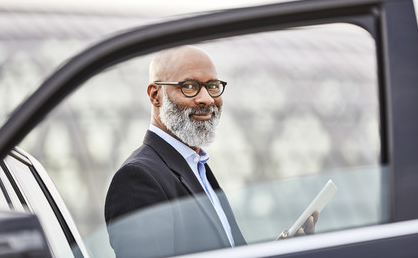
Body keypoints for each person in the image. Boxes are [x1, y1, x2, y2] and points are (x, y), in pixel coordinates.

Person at [104, 45, 317, 258]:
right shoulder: (137, 179)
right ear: (155, 95)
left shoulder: (197, 167)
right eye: (189, 86)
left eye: (213, 86)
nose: (206, 99)